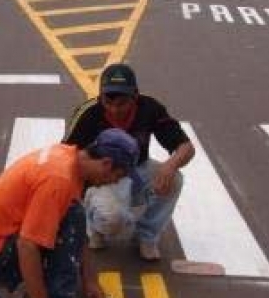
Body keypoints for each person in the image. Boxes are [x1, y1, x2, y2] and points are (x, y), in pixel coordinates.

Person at [0, 129, 141, 298]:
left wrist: (90, 280)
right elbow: (27, 246)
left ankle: (33, 283)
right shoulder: (59, 181)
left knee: (74, 215)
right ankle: (21, 285)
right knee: (70, 221)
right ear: (106, 163)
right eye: (118, 175)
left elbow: (78, 231)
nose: (116, 181)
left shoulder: (69, 156)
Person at [63, 63, 195, 261]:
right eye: (108, 102)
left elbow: (186, 147)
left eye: (122, 103)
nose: (115, 109)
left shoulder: (151, 108)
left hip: (137, 168)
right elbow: (66, 155)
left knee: (175, 179)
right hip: (102, 176)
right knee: (112, 220)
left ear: (135, 96)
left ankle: (146, 236)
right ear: (100, 97)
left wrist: (170, 165)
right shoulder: (87, 113)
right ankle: (94, 226)